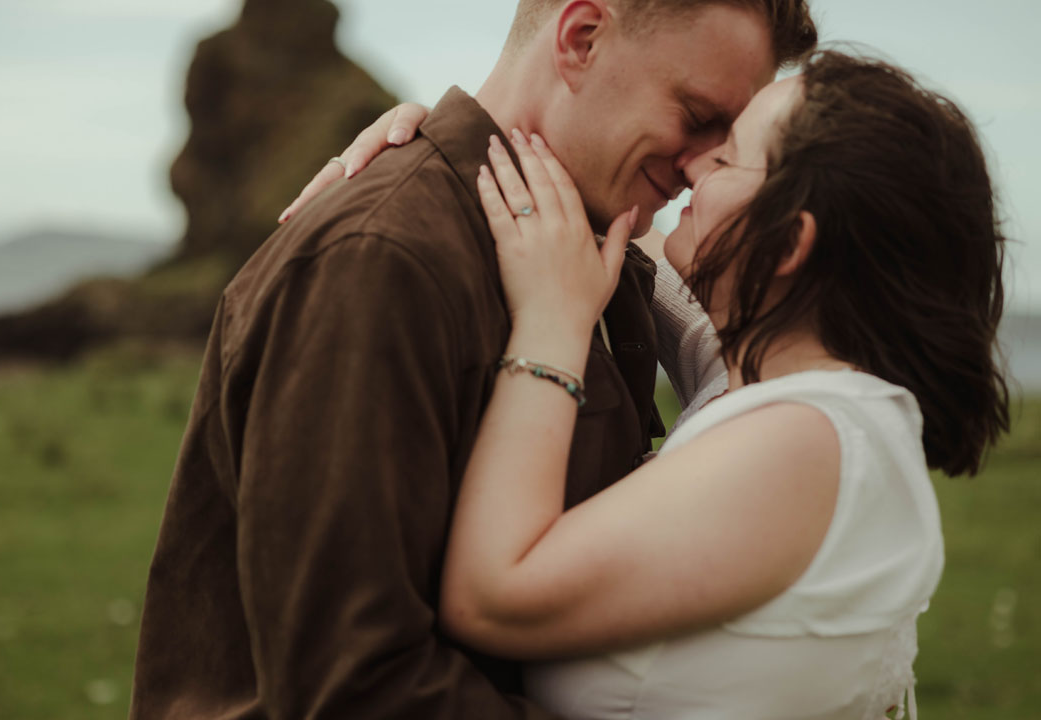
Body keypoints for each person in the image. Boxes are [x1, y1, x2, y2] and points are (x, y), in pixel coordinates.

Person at [129, 1, 817, 718]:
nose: (702, 162)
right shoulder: (380, 259)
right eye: (698, 113)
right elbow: (354, 691)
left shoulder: (589, 248)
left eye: (729, 136)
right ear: (580, 39)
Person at [284, 51, 1009, 718]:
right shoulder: (765, 384)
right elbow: (591, 222)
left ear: (789, 243)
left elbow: (493, 597)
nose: (692, 162)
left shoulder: (807, 440)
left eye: (726, 155)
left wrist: (550, 328)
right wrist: (442, 148)